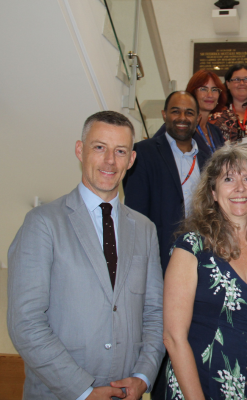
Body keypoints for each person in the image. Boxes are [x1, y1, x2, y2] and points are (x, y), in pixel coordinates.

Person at [7, 111, 164, 399]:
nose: (109, 161)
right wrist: (83, 390)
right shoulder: (42, 223)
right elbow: (25, 323)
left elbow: (154, 314)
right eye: (99, 147)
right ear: (80, 150)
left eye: (120, 151)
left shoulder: (145, 229)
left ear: (131, 160)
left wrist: (143, 375)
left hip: (125, 392)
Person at [163, 145, 247, 400]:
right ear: (213, 192)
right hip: (202, 386)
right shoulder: (191, 248)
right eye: (228, 179)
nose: (240, 188)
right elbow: (174, 337)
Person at [124, 91, 210, 274]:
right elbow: (135, 212)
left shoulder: (208, 160)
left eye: (189, 113)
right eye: (175, 111)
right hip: (158, 256)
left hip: (202, 255)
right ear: (164, 115)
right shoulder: (143, 153)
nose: (182, 118)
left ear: (198, 118)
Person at [154, 69, 227, 157]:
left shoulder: (215, 131)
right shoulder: (179, 126)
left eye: (214, 89)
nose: (210, 95)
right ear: (193, 93)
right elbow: (153, 152)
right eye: (203, 89)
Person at [210, 63, 247, 144]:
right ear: (228, 83)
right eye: (236, 79)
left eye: (246, 79)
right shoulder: (215, 113)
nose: (242, 83)